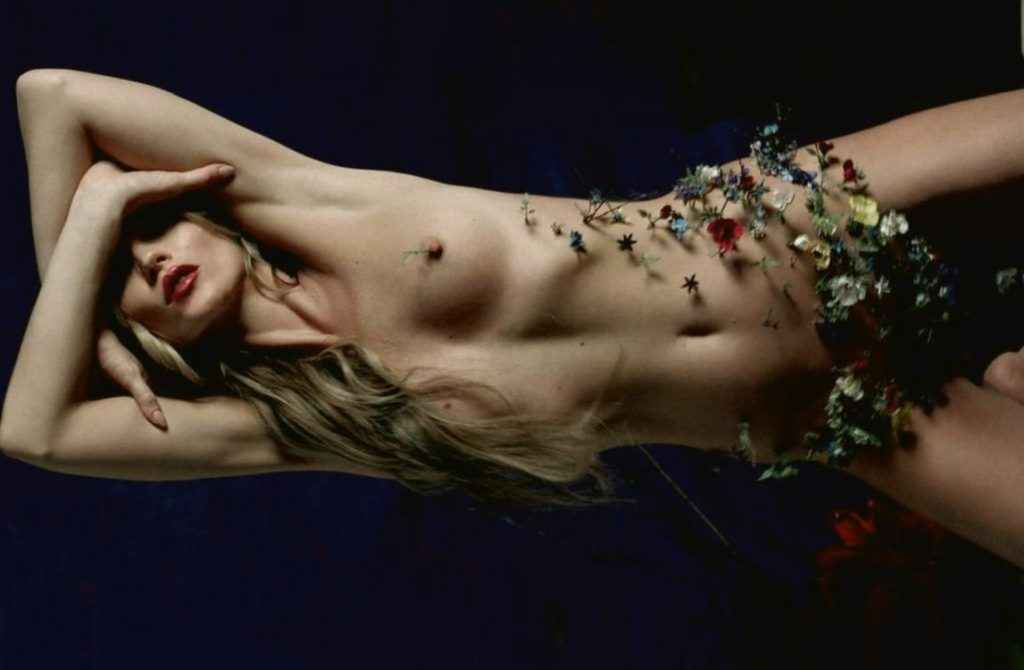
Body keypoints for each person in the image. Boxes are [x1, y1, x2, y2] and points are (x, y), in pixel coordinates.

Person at [3, 68, 1023, 569]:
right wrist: (91, 227)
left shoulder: (300, 198)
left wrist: (94, 274)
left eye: (145, 224)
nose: (151, 259)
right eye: (121, 279)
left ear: (189, 200)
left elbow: (48, 94)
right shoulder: (293, 423)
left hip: (807, 220)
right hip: (849, 414)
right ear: (146, 338)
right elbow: (35, 430)